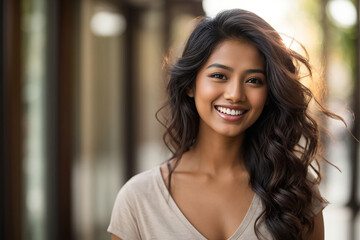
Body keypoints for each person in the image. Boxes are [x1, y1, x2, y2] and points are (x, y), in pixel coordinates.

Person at [108, 9, 340, 240]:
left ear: (269, 94)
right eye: (219, 75)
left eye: (253, 80)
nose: (235, 94)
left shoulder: (294, 189)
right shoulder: (137, 199)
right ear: (191, 85)